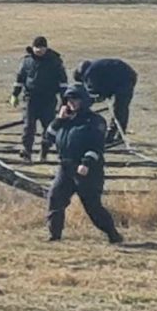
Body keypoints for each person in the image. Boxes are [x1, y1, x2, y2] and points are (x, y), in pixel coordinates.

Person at [46, 86, 123, 244]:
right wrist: (59, 120)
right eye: (69, 100)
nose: (71, 103)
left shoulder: (94, 121)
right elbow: (49, 137)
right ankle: (55, 236)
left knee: (92, 206)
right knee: (55, 198)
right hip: (65, 167)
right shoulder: (66, 119)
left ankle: (112, 234)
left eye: (75, 99)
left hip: (87, 170)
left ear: (84, 101)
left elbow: (96, 147)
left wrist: (86, 163)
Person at [11, 36, 67, 161]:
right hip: (30, 99)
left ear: (46, 48)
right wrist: (15, 94)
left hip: (48, 99)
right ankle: (27, 152)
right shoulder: (27, 61)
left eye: (41, 48)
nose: (39, 51)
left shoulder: (55, 61)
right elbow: (20, 79)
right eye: (37, 48)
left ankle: (44, 152)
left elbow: (63, 82)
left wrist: (64, 101)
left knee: (48, 127)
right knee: (28, 126)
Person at [72, 57, 137, 135]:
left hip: (124, 80)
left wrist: (85, 102)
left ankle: (115, 133)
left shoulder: (89, 73)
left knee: (120, 108)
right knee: (121, 108)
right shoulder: (96, 67)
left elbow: (95, 91)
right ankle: (118, 132)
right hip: (127, 76)